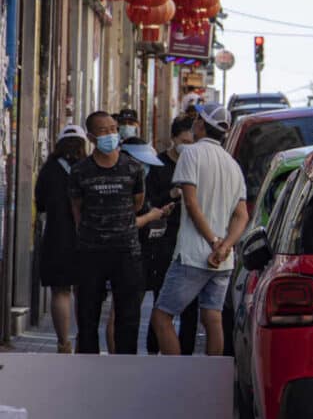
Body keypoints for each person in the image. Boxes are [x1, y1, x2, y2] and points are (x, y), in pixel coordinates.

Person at [151, 103, 248, 356]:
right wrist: (225, 246)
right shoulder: (233, 164)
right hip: (223, 260)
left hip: (193, 254)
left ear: (202, 125)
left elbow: (191, 204)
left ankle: (177, 375)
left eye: (197, 120)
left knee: (162, 317)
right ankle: (211, 375)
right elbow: (242, 215)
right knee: (212, 318)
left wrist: (213, 241)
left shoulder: (191, 155)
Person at [70, 111, 146, 355]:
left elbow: (137, 203)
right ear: (91, 137)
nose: (111, 134)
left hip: (126, 251)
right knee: (87, 316)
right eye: (103, 131)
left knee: (128, 317)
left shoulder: (133, 167)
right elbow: (77, 209)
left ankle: (125, 367)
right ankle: (88, 366)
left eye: (113, 129)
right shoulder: (80, 171)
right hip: (91, 251)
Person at [142, 117, 199, 355]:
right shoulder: (158, 165)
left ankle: (186, 353)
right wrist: (172, 194)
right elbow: (149, 200)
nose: (187, 146)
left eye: (192, 141)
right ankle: (154, 348)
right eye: (184, 141)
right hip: (164, 236)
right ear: (173, 139)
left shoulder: (197, 163)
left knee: (191, 302)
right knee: (162, 295)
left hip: (191, 236)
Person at [35, 124, 89, 353]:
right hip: (87, 236)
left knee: (60, 291)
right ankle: (84, 340)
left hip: (57, 236)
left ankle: (63, 343)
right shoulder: (88, 168)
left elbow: (40, 203)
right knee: (84, 291)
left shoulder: (49, 169)